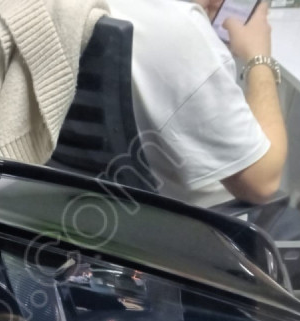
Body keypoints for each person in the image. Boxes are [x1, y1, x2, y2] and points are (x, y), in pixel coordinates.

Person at [104, 0, 287, 206]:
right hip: (194, 216)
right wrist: (259, 58)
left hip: (103, 204)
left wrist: (204, 41)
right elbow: (263, 183)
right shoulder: (177, 28)